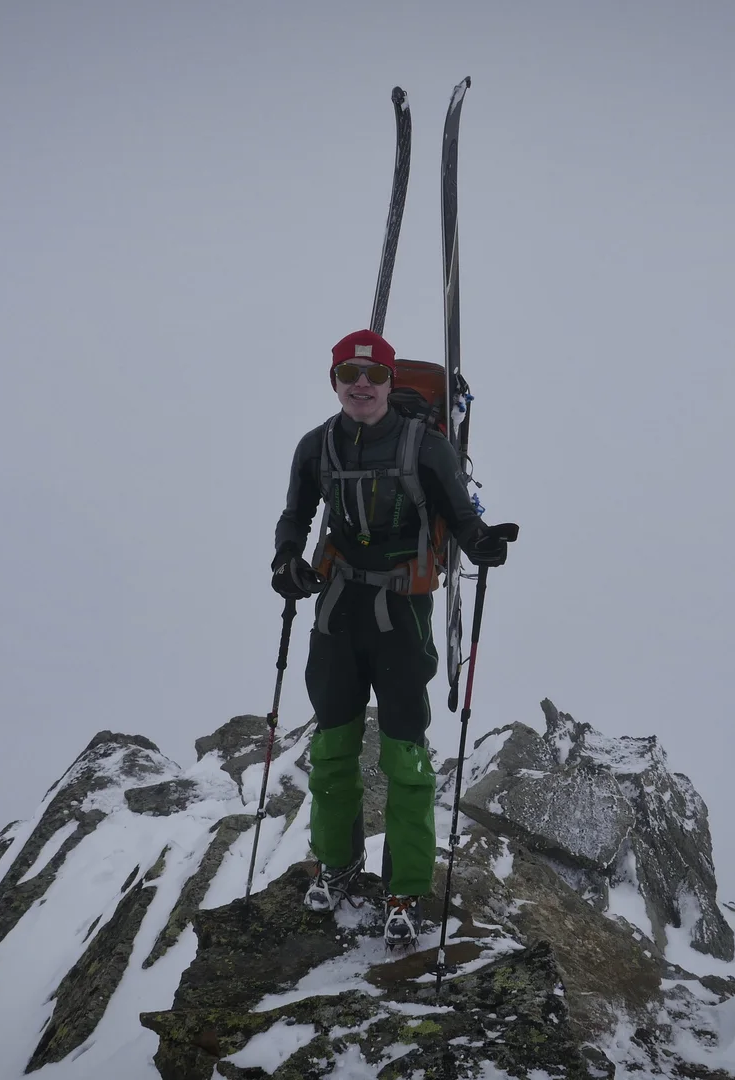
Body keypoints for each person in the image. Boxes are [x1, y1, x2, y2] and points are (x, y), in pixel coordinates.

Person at [271, 328, 515, 946]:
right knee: (332, 747)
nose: (361, 384)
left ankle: (405, 886)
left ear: (388, 382)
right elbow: (296, 515)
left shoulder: (426, 446)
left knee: (405, 756)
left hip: (403, 610)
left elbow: (463, 519)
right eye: (349, 375)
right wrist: (285, 562)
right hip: (336, 607)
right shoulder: (315, 446)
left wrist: (484, 543)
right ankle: (338, 864)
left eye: (374, 375)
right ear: (334, 382)